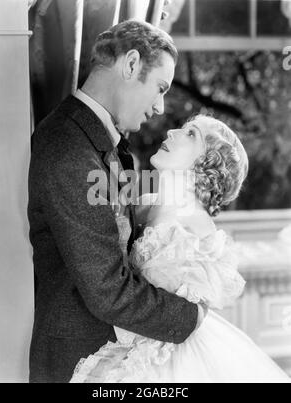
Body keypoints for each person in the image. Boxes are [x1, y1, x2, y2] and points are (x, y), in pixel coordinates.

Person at [28, 20, 205, 383]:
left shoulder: (103, 142)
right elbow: (107, 289)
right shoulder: (67, 147)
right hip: (77, 363)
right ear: (130, 65)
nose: (159, 107)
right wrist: (193, 318)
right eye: (159, 88)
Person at [71, 116, 290, 383]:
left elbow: (192, 304)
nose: (172, 132)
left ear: (207, 163)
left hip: (169, 358)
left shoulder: (199, 230)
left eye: (190, 135)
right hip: (127, 334)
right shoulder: (146, 204)